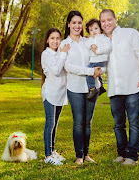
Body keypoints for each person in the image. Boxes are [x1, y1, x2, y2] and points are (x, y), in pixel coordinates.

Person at [99, 9, 139, 165]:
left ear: (115, 19)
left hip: (133, 85)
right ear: (100, 24)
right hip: (115, 88)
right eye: (103, 21)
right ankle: (122, 154)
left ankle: (132, 156)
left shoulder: (130, 33)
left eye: (109, 19)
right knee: (118, 124)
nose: (106, 23)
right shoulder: (101, 41)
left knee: (134, 122)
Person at [60, 10, 102, 165]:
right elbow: (69, 67)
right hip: (75, 88)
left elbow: (99, 56)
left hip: (92, 87)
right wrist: (90, 71)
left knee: (88, 122)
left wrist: (99, 69)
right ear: (69, 24)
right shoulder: (64, 44)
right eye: (74, 22)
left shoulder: (87, 41)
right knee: (78, 122)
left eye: (79, 23)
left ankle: (86, 154)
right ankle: (79, 155)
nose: (77, 26)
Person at [41, 28, 70, 165]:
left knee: (55, 124)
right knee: (50, 123)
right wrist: (63, 54)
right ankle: (47, 156)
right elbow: (57, 71)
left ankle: (52, 151)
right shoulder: (46, 55)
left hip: (60, 93)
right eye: (52, 38)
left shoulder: (60, 53)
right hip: (50, 93)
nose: (55, 41)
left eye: (58, 38)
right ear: (47, 40)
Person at [85, 18, 112, 99]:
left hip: (100, 60)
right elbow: (86, 44)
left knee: (89, 72)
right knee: (97, 73)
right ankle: (101, 87)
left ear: (101, 29)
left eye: (96, 28)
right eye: (91, 30)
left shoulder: (104, 38)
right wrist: (91, 45)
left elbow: (108, 47)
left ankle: (92, 88)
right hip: (95, 60)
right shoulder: (90, 39)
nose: (94, 31)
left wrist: (97, 50)